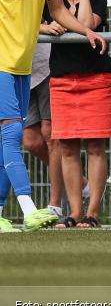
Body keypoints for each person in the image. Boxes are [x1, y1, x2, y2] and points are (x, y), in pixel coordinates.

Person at [0, 0, 107, 233]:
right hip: (1, 61)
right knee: (13, 134)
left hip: (22, 63)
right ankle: (30, 208)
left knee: (10, 137)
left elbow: (59, 10)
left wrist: (86, 31)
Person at [44, 0, 111, 228]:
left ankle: (93, 212)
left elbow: (87, 24)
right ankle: (74, 212)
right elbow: (29, 24)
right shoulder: (52, 2)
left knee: (96, 146)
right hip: (63, 80)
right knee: (67, 148)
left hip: (96, 79)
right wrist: (45, 28)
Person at [22, 42, 65, 219]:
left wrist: (44, 28)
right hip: (21, 71)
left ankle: (55, 206)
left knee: (50, 134)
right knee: (30, 142)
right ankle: (81, 183)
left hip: (46, 67)